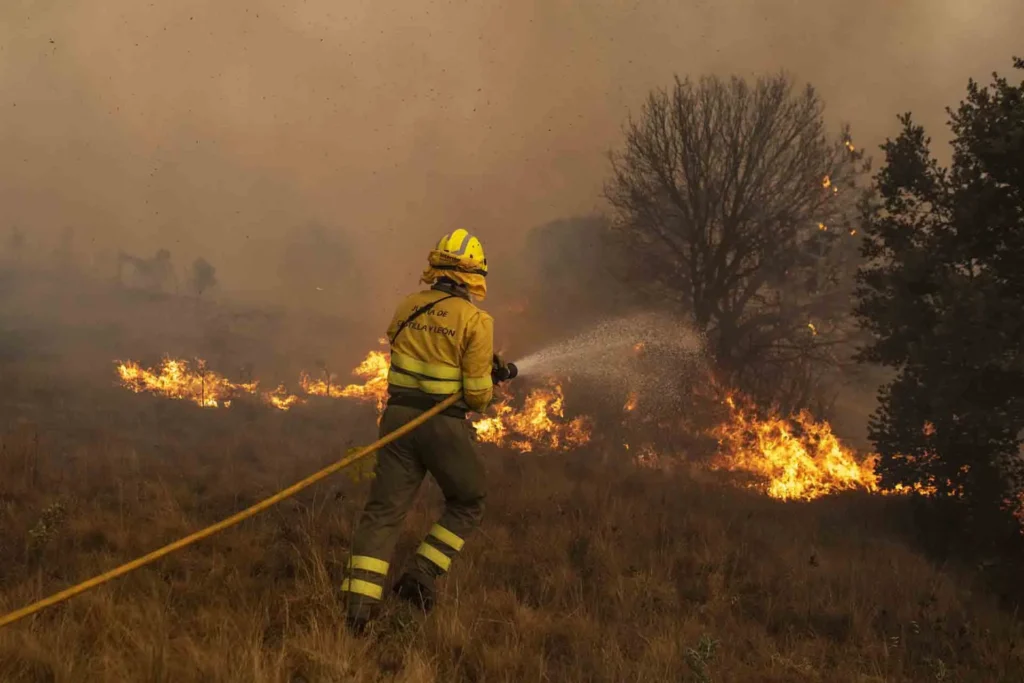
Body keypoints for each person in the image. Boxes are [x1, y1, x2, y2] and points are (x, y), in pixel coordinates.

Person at [341, 229, 511, 634]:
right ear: (474, 276)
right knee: (469, 499)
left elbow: (412, 357)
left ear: (436, 267)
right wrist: (489, 379)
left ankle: (357, 612)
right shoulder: (475, 320)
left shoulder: (407, 307)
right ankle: (420, 575)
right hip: (442, 425)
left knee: (383, 512)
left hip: (398, 421)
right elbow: (476, 398)